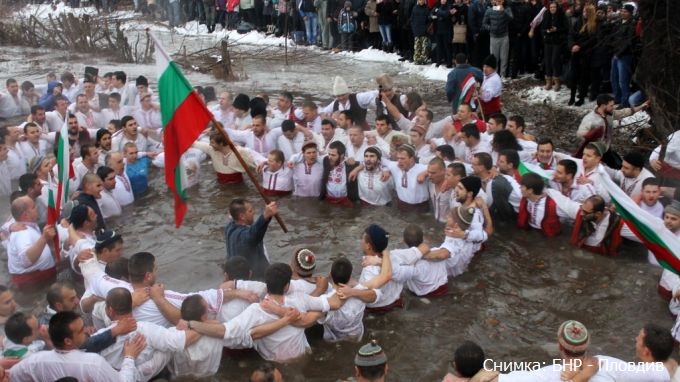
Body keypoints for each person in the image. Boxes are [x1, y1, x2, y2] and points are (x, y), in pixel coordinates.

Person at [8, 311, 145, 382]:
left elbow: (11, 375)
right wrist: (129, 356)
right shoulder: (92, 362)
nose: (86, 331)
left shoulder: (35, 361)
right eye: (81, 330)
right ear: (67, 341)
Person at [7, 196, 57, 287]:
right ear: (25, 215)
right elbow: (26, 260)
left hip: (38, 279)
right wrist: (44, 238)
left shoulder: (27, 226)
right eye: (33, 207)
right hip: (32, 282)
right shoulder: (22, 232)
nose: (36, 208)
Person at [225, 199, 279, 280]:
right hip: (253, 279)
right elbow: (253, 234)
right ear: (242, 216)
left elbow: (231, 216)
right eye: (250, 211)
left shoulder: (230, 226)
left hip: (236, 275)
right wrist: (265, 216)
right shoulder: (243, 236)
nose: (254, 212)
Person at [382, 144, 430, 212]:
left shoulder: (422, 168)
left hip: (421, 207)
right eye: (398, 158)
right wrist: (386, 170)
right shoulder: (395, 166)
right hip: (401, 206)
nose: (399, 161)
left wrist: (425, 173)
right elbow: (381, 161)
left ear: (412, 158)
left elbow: (445, 165)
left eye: (402, 158)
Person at [517, 172, 562, 237]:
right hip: (530, 230)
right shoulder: (525, 198)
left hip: (547, 236)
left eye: (522, 186)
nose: (520, 188)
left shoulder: (552, 204)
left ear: (530, 190)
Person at [320, 141, 359, 206]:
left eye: (333, 155)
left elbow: (366, 164)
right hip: (328, 200)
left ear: (342, 155)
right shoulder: (325, 160)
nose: (330, 157)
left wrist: (357, 169)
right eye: (329, 154)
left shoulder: (349, 164)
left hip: (345, 201)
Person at [541, 1, 568, 91]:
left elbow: (565, 28)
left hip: (558, 41)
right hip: (548, 41)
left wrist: (557, 29)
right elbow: (543, 28)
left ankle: (557, 81)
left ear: (557, 8)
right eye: (551, 7)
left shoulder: (561, 15)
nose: (552, 9)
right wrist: (547, 31)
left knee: (554, 60)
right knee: (548, 61)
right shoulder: (546, 15)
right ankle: (548, 81)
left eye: (554, 7)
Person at [482, 0, 513, 77]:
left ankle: (503, 75)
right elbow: (484, 23)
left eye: (500, 0)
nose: (499, 2)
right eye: (497, 0)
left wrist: (504, 11)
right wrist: (490, 28)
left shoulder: (507, 9)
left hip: (504, 36)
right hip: (493, 37)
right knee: (494, 58)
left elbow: (511, 18)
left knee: (504, 58)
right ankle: (494, 75)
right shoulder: (490, 10)